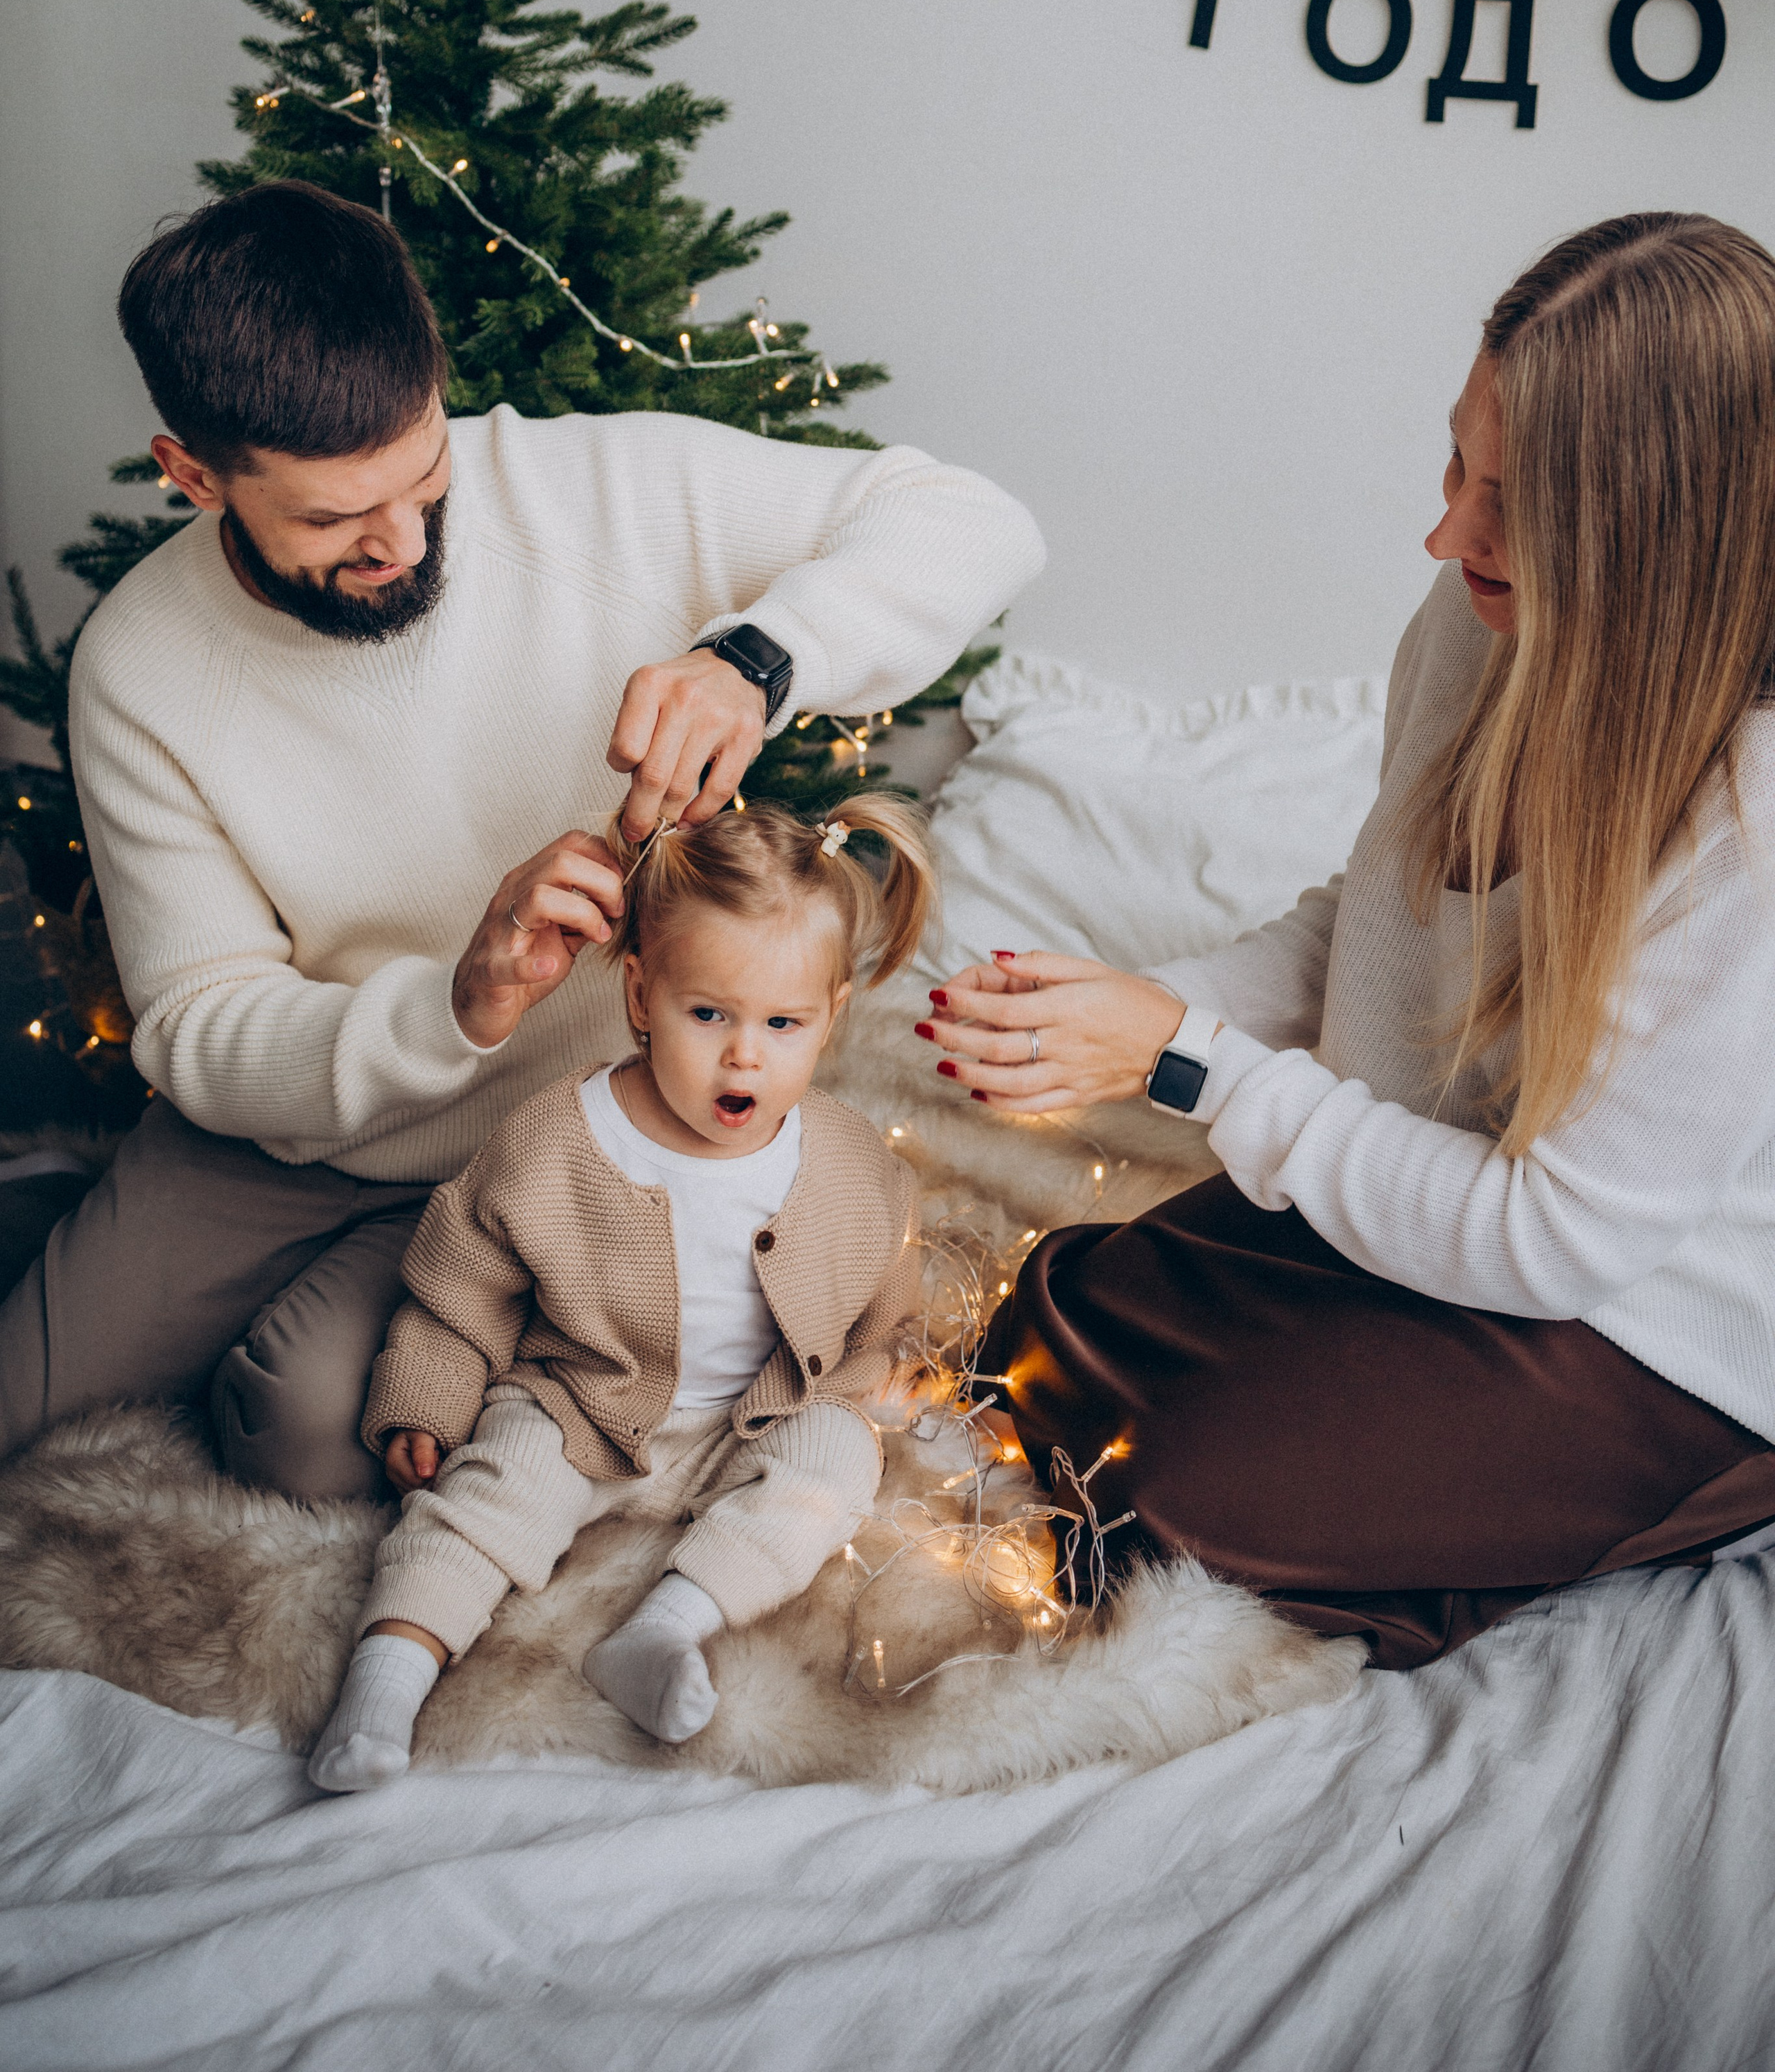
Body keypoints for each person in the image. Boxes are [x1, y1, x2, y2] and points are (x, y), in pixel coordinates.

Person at [0, 182, 1041, 1499]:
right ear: (192, 474)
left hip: (566, 1137)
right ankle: (64, 1222)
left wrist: (760, 659)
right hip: (280, 1136)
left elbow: (978, 522)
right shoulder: (140, 663)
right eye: (331, 519)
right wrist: (455, 1004)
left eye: (425, 475)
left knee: (308, 1438)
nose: (403, 538)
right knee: (24, 1411)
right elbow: (202, 1031)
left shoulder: (601, 488)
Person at [924, 212, 1775, 1669]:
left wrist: (1192, 1069)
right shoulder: (1471, 617)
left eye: (1514, 501)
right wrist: (1140, 1009)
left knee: (1165, 1509)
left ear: (1656, 532)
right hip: (1452, 1178)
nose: (1446, 533)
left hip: (1644, 1319)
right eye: (1457, 463)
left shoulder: (1745, 825)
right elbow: (1376, 919)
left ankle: (1675, 1502)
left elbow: (1553, 1241)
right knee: (1042, 1335)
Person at [306, 795, 930, 1789]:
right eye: (709, 1014)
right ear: (641, 995)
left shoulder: (850, 1162)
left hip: (751, 1418)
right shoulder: (557, 1138)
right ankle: (385, 1678)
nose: (744, 1054)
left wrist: (883, 1372)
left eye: (783, 1023)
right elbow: (457, 1286)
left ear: (831, 1017)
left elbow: (879, 1287)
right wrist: (423, 1398)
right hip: (584, 1403)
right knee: (487, 1498)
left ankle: (665, 1630)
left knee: (831, 1472)